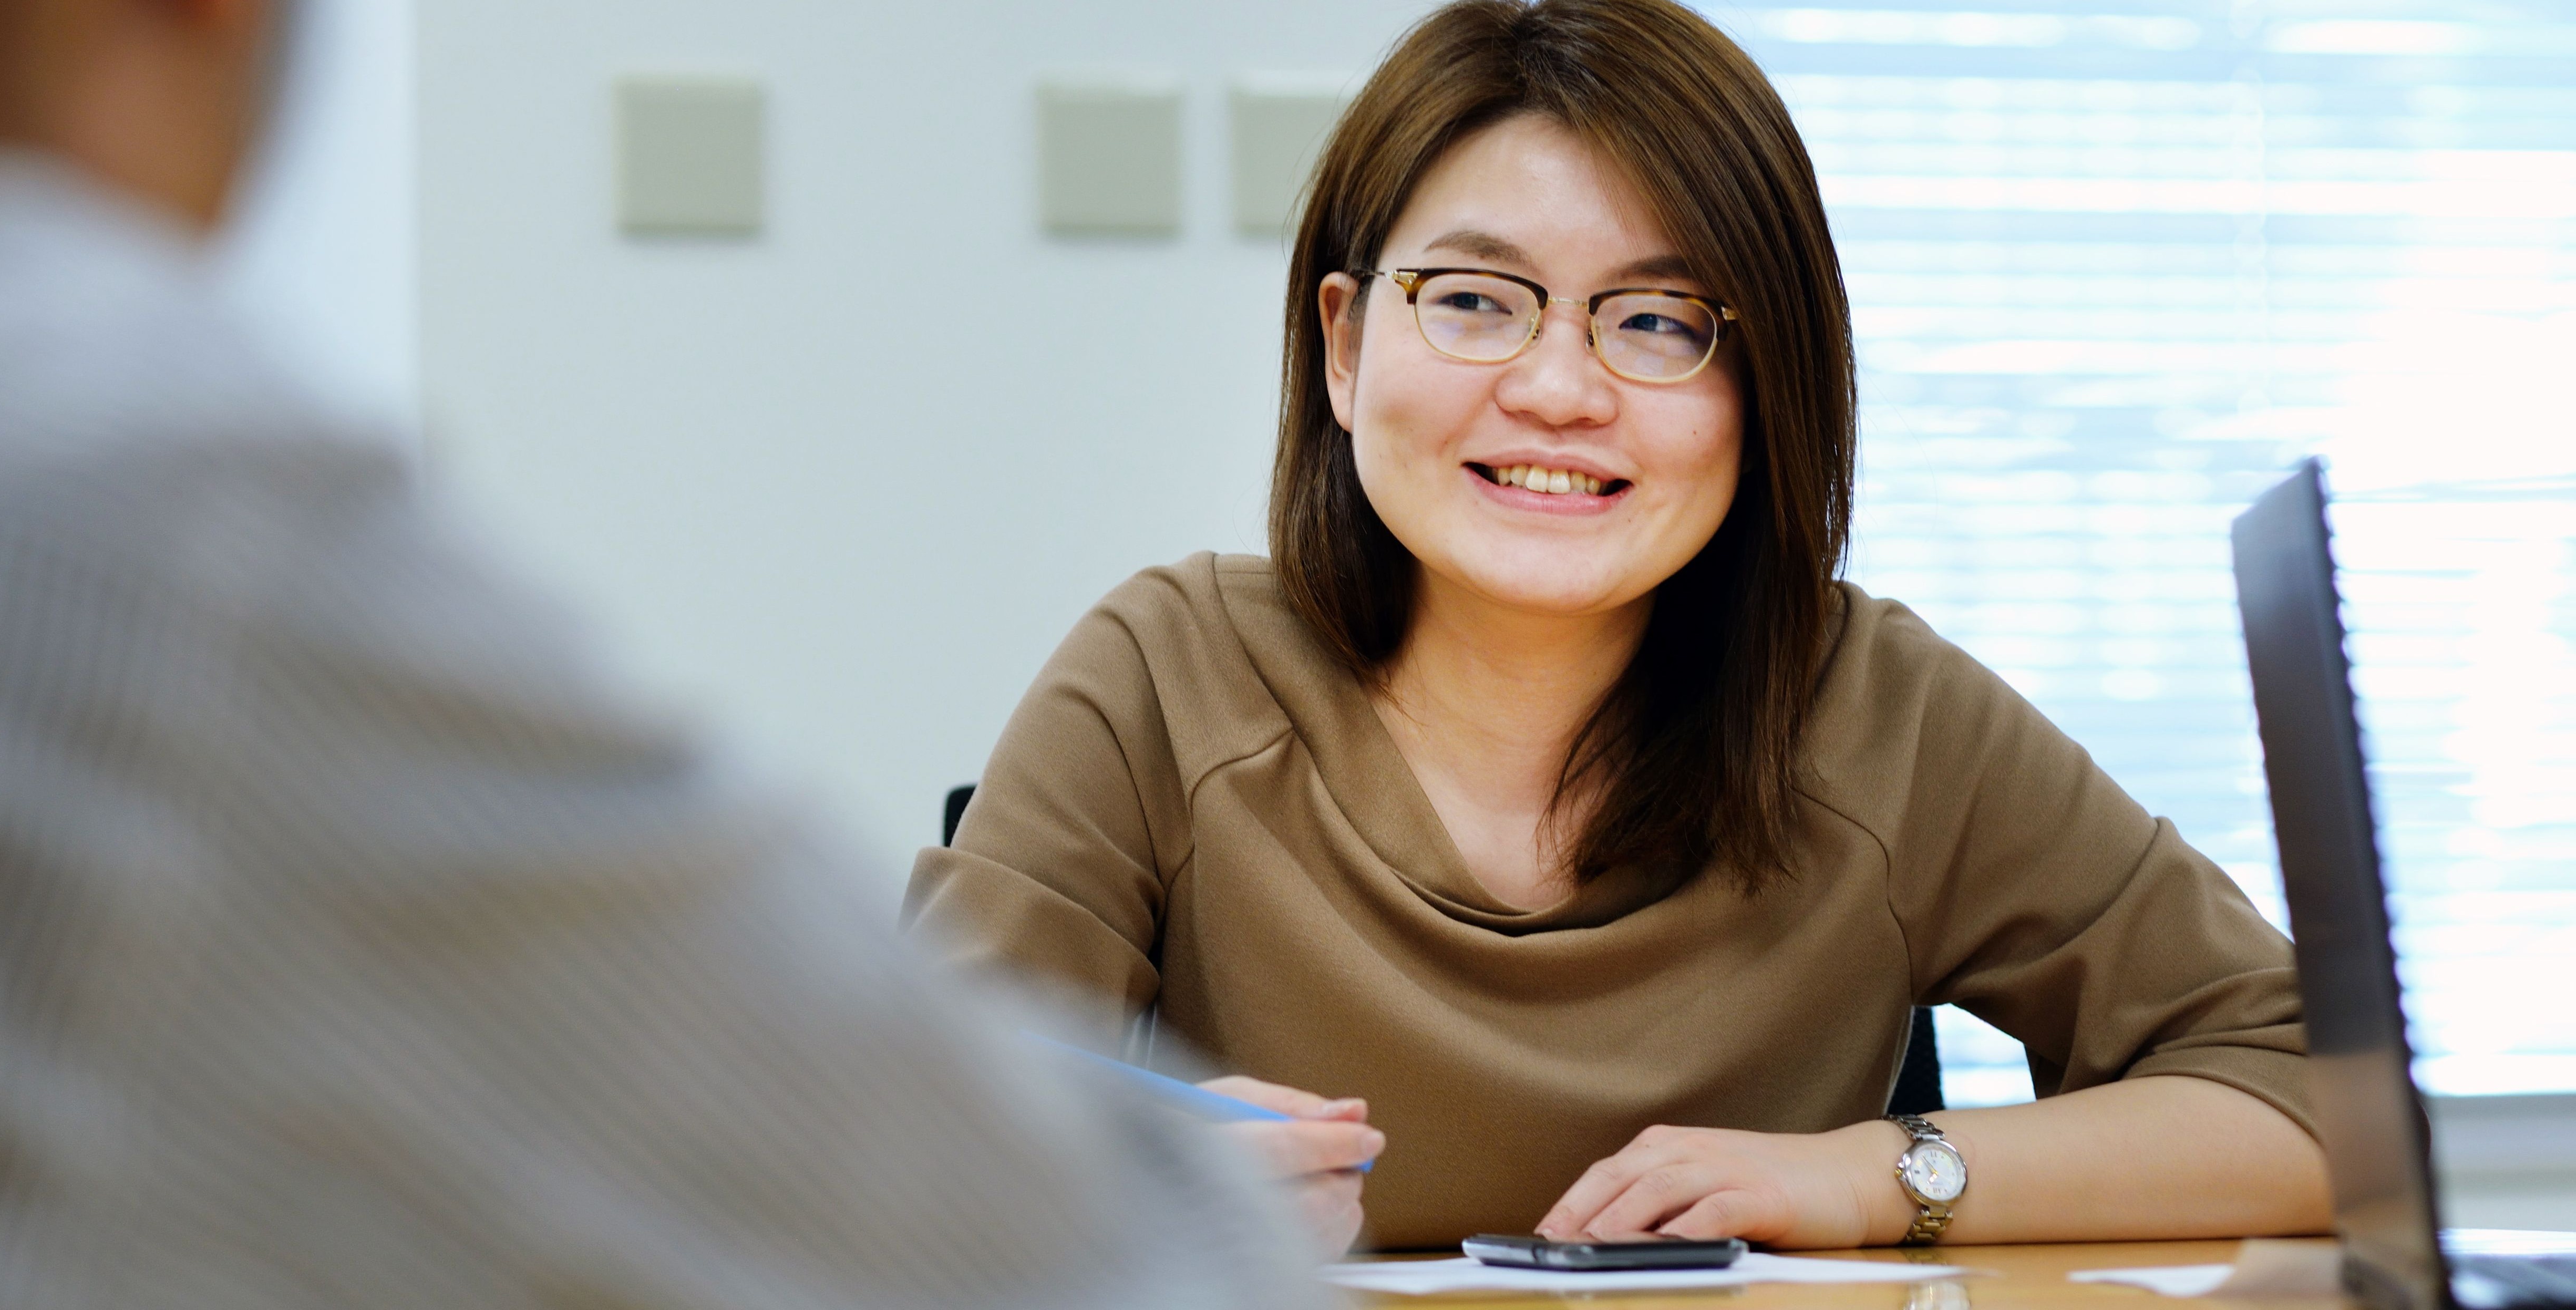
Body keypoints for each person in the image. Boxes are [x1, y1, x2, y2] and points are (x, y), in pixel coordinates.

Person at [0, 1, 1339, 1305]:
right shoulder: (103, 484)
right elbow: (985, 1241)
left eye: (1622, 319)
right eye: (1476, 298)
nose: (1555, 385)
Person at [905, 0, 2334, 1255]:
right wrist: (1121, 1179)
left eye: (1655, 323)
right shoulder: (1163, 674)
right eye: (1472, 301)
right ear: (1343, 348)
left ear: (1764, 388)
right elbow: (882, 1141)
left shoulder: (1877, 711)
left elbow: (2317, 1100)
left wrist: (1873, 1175)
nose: (1558, 390)